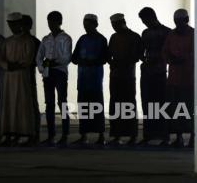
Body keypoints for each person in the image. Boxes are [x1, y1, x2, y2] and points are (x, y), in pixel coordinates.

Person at [0, 12, 37, 146]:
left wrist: (16, 65)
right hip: (9, 77)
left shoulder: (28, 40)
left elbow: (28, 59)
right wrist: (7, 65)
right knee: (9, 104)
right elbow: (0, 58)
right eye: (10, 24)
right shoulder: (7, 41)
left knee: (22, 104)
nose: (12, 27)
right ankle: (10, 133)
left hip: (21, 76)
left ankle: (25, 134)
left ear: (20, 24)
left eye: (14, 24)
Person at [36, 11, 72, 146]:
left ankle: (65, 134)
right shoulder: (46, 39)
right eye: (49, 22)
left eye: (53, 22)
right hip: (48, 74)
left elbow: (67, 57)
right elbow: (39, 57)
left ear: (59, 22)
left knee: (62, 103)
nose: (50, 24)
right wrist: (43, 67)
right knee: (49, 105)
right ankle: (51, 135)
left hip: (60, 73)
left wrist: (52, 62)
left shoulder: (66, 38)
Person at [107, 13, 143, 146]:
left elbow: (136, 57)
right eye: (112, 25)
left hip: (127, 76)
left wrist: (119, 63)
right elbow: (108, 54)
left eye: (115, 25)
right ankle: (117, 135)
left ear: (122, 22)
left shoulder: (134, 37)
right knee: (115, 105)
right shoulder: (114, 37)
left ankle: (132, 135)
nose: (114, 28)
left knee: (128, 105)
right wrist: (112, 63)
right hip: (115, 76)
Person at [71, 14, 107, 145]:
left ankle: (101, 136)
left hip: (95, 81)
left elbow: (104, 59)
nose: (86, 28)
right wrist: (81, 61)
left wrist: (91, 62)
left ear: (95, 25)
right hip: (83, 81)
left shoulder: (102, 39)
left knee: (97, 108)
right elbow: (74, 58)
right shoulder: (82, 39)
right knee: (84, 108)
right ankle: (84, 135)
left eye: (88, 25)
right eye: (84, 25)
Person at [138, 7, 171, 146]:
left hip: (159, 73)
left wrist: (155, 60)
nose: (144, 23)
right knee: (148, 104)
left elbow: (168, 53)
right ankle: (149, 134)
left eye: (145, 20)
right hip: (148, 72)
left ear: (152, 17)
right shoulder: (145, 33)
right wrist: (145, 60)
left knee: (161, 104)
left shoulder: (166, 32)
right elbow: (140, 51)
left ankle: (164, 135)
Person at [163, 9, 194, 148]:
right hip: (174, 79)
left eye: (180, 22)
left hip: (189, 79)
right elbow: (165, 52)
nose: (178, 25)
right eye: (176, 22)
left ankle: (193, 136)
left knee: (190, 109)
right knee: (175, 109)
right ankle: (179, 136)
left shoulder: (194, 34)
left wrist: (184, 59)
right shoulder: (171, 34)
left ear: (186, 20)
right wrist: (171, 59)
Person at [21, 14, 41, 143]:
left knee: (31, 104)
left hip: (28, 76)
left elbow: (41, 61)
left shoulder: (34, 42)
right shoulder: (18, 40)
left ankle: (34, 134)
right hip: (19, 77)